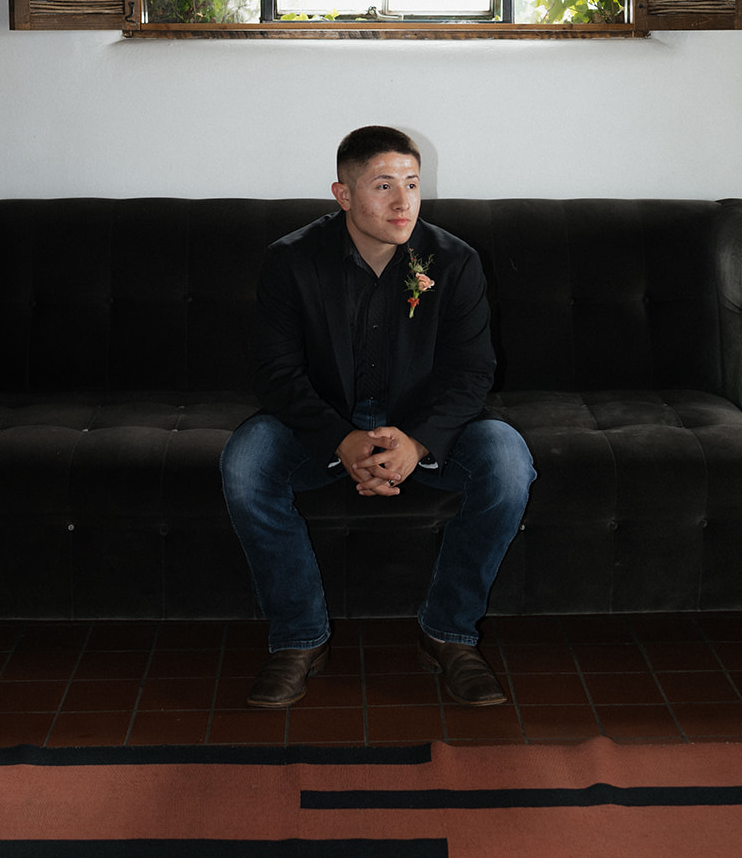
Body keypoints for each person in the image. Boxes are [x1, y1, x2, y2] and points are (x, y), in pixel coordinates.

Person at [220, 125, 536, 710]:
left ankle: (447, 634)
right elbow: (275, 373)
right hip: (321, 422)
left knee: (508, 461)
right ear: (342, 195)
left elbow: (472, 372)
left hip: (423, 423)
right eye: (383, 185)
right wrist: (340, 439)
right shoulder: (290, 262)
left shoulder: (453, 261)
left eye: (412, 184)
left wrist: (417, 443)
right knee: (246, 464)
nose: (402, 202)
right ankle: (298, 641)